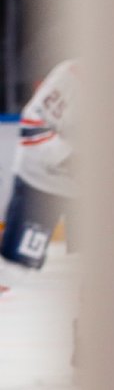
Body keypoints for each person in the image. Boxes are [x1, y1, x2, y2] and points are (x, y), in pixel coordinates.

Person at [1, 59, 77, 280]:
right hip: (41, 185)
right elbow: (34, 122)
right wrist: (70, 158)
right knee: (17, 270)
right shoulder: (73, 75)